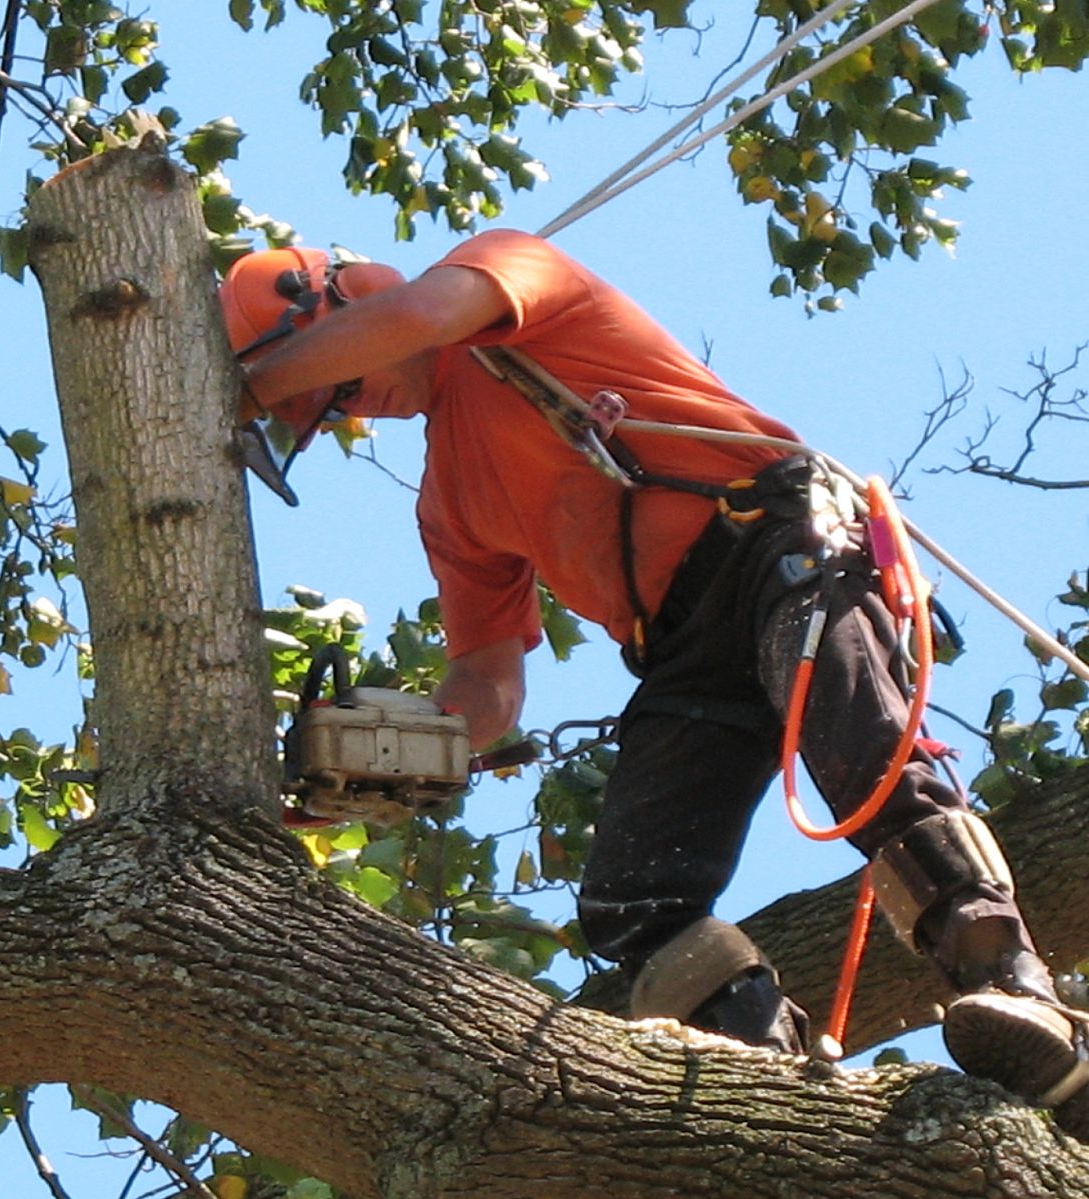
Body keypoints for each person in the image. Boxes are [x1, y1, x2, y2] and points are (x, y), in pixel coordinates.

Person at [219, 229, 1089, 1120]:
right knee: (632, 899)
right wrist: (387, 759)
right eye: (332, 410)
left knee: (854, 743)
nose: (353, 410)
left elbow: (421, 314)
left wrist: (246, 387)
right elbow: (491, 679)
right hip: (681, 652)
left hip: (772, 546)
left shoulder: (503, 277)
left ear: (343, 297)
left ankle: (1016, 987)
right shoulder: (449, 502)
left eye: (340, 386)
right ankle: (780, 1093)